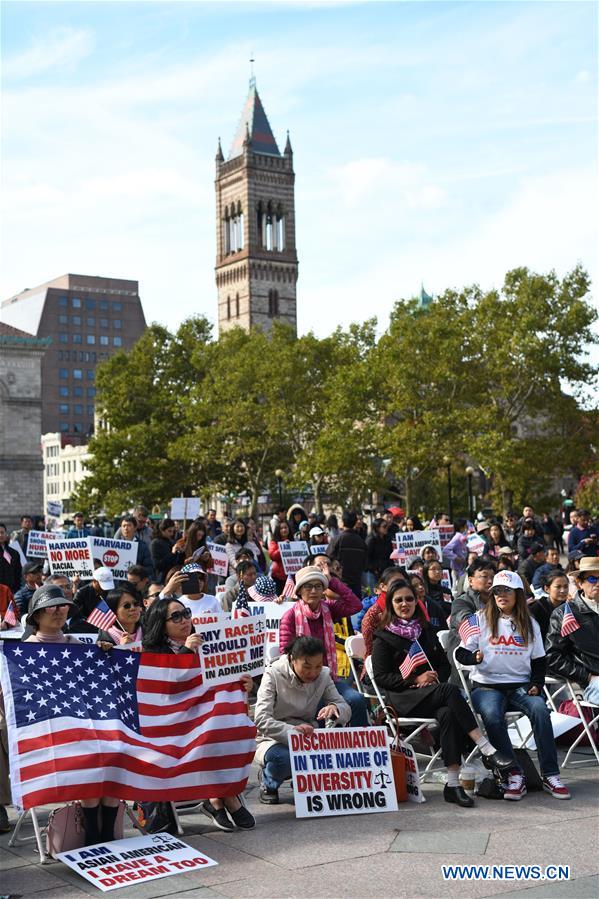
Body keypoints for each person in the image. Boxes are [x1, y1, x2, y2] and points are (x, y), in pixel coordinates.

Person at [371, 580, 512, 808]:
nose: (405, 604)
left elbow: (444, 665)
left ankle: (453, 785)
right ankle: (485, 747)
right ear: (390, 604)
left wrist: (434, 676)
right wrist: (415, 679)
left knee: (447, 712)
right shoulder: (383, 636)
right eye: (399, 600)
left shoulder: (424, 630)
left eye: (409, 599)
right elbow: (381, 677)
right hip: (402, 697)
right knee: (449, 691)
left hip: (431, 693)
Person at [142, 598, 255, 831]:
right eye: (176, 617)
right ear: (160, 624)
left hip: (204, 715)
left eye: (185, 613)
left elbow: (223, 679)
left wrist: (243, 684)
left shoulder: (209, 642)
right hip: (173, 723)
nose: (184, 620)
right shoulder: (152, 651)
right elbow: (165, 689)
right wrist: (186, 651)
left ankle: (222, 798)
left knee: (236, 732)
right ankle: (222, 798)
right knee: (209, 738)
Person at [457, 570, 570, 800]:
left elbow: (539, 660)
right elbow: (460, 653)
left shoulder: (530, 623)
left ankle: (550, 774)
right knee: (492, 714)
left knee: (540, 709)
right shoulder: (478, 619)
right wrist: (473, 658)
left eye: (506, 590)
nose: (501, 594)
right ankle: (513, 774)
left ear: (518, 594)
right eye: (497, 590)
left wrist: (537, 683)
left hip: (520, 684)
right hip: (486, 685)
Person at [254, 635, 351, 804]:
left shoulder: (324, 675)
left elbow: (344, 707)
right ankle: (268, 782)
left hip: (309, 734)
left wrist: (335, 709)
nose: (313, 673)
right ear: (292, 659)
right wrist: (292, 732)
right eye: (306, 667)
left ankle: (303, 781)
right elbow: (261, 719)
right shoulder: (273, 674)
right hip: (273, 737)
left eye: (318, 666)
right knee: (285, 758)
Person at [279, 565, 366, 726]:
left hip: (328, 679)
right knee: (317, 710)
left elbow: (356, 605)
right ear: (299, 591)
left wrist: (331, 581)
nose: (313, 591)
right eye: (308, 586)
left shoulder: (329, 609)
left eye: (318, 586)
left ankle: (360, 747)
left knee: (357, 700)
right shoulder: (289, 617)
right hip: (302, 682)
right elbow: (285, 655)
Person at [546, 556, 599, 705]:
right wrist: (587, 676)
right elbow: (552, 657)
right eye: (592, 579)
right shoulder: (564, 613)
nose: (598, 583)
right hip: (592, 682)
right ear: (580, 583)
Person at [446, 557, 497, 682]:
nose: (490, 581)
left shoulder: (499, 602)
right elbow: (470, 625)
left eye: (493, 577)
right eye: (484, 576)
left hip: (497, 661)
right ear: (471, 580)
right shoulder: (460, 602)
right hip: (469, 664)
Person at [326, 510, 367, 599]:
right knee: (356, 609)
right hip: (356, 582)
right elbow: (365, 563)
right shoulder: (361, 541)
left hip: (340, 583)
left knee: (340, 610)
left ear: (343, 522)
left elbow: (327, 558)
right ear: (355, 522)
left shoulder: (337, 539)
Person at [529, 571, 570, 642]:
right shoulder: (536, 609)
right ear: (547, 589)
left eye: (566, 586)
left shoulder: (569, 608)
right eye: (558, 587)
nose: (563, 590)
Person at [150, 518, 184, 584]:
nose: (171, 534)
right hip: (161, 580)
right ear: (162, 530)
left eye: (173, 531)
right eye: (169, 531)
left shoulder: (171, 541)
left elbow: (177, 562)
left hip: (171, 577)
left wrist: (181, 552)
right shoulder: (155, 543)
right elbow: (158, 565)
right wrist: (172, 553)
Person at [365, 518, 393, 586]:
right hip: (373, 573)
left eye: (387, 526)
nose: (386, 528)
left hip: (385, 571)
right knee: (375, 593)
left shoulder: (387, 538)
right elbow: (365, 556)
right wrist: (374, 569)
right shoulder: (371, 540)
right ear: (377, 528)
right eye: (384, 526)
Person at [268, 521, 292, 593]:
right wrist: (282, 547)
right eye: (281, 528)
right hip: (278, 576)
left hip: (291, 576)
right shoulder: (274, 542)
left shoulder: (294, 541)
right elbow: (272, 556)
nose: (284, 530)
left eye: (285, 528)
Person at [0, 522, 22, 594]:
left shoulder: (14, 553)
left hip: (12, 591)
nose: (0, 535)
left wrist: (16, 589)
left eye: (2, 532)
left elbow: (18, 573)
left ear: (6, 534)